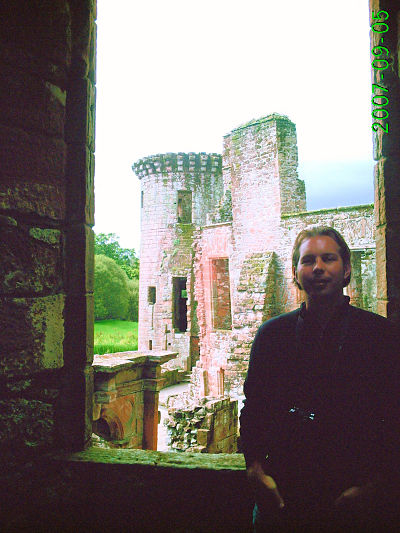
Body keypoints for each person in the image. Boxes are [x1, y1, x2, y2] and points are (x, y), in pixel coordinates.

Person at [240, 226, 400, 532]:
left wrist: (375, 487)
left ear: (347, 269)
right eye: (308, 260)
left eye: (328, 258)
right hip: (285, 496)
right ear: (296, 272)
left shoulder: (381, 336)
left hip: (356, 500)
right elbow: (254, 410)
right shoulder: (272, 335)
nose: (318, 268)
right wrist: (256, 470)